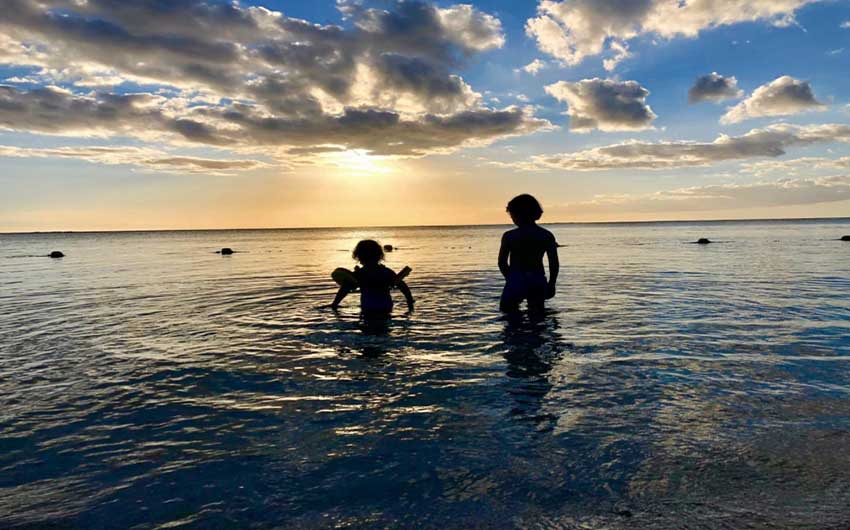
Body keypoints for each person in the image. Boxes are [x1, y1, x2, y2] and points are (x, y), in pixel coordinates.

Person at [498, 194, 559, 314]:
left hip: (516, 278)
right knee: (537, 315)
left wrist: (510, 278)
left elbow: (502, 262)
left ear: (516, 215)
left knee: (508, 312)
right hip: (537, 278)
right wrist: (552, 283)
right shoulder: (546, 235)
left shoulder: (509, 236)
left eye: (512, 215)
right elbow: (554, 264)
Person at [331, 240, 414, 316]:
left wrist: (334, 304)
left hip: (368, 306)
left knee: (367, 329)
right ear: (380, 256)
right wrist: (410, 301)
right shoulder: (386, 272)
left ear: (359, 257)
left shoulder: (359, 274)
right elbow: (402, 286)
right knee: (384, 329)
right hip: (385, 306)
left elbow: (344, 289)